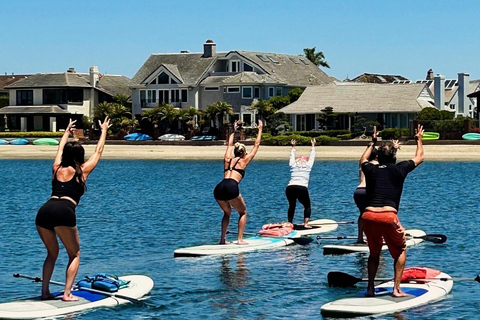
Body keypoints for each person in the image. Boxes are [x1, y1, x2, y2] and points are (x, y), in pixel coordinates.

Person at [35, 117, 111, 301]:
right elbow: (98, 151)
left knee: (52, 254)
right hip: (64, 211)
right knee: (74, 254)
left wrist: (66, 132)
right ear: (79, 156)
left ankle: (45, 292)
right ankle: (67, 294)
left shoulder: (56, 168)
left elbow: (60, 149)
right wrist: (104, 131)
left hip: (44, 211)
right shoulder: (82, 171)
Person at [360, 124, 424, 297]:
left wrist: (372, 143)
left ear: (378, 157)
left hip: (367, 216)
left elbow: (362, 160)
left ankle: (370, 289)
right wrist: (419, 140)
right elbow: (419, 158)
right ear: (394, 157)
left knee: (374, 253)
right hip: (388, 216)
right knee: (400, 250)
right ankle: (396, 290)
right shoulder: (399, 168)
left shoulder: (371, 169)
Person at [214, 120, 263, 245]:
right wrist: (260, 129)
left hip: (219, 187)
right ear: (243, 153)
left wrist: (233, 130)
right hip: (231, 186)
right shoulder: (244, 161)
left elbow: (229, 145)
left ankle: (222, 240)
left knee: (227, 213)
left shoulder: (227, 159)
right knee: (242, 212)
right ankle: (240, 240)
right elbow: (256, 145)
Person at [353, 126, 379, 243]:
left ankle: (360, 238)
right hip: (369, 192)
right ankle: (374, 237)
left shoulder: (363, 163)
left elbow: (364, 156)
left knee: (362, 214)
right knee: (375, 215)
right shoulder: (377, 164)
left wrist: (372, 143)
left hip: (358, 191)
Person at [285, 138, 316, 228]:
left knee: (292, 205)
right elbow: (312, 156)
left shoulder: (293, 165)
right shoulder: (308, 165)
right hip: (301, 187)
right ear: (305, 161)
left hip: (290, 187)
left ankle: (290, 223)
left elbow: (291, 156)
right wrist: (313, 146)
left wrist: (293, 147)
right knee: (307, 205)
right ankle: (306, 223)